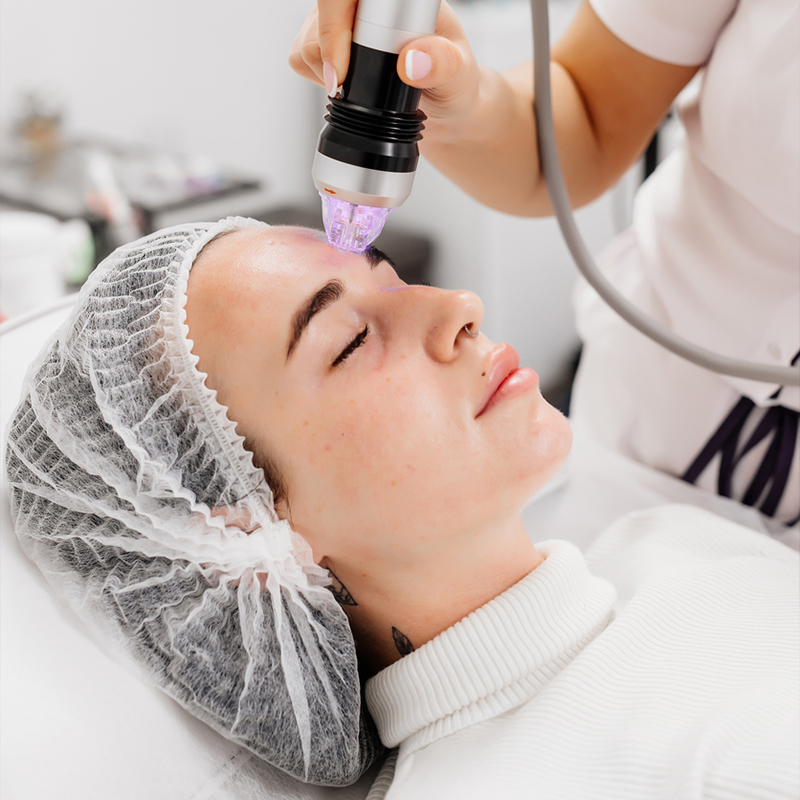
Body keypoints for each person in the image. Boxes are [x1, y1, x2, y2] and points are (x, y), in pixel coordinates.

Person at [5, 218, 798, 797]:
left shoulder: (665, 540)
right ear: (241, 537)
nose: (459, 304)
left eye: (388, 278)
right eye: (349, 340)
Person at [289, 0, 800, 525]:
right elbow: (591, 111)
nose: (465, 303)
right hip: (659, 402)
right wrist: (467, 107)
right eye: (351, 344)